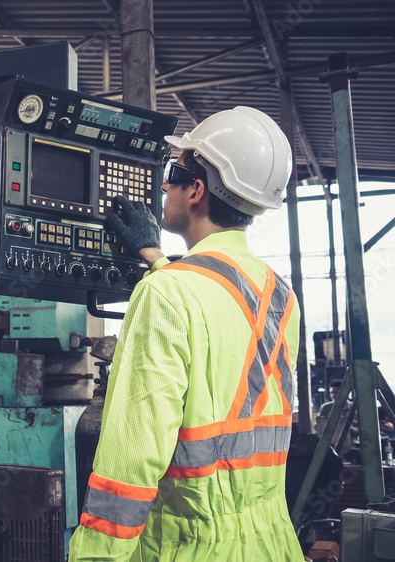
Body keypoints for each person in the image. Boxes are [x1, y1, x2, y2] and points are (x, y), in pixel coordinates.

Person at [68, 106, 303, 560]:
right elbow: (216, 309)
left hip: (191, 547)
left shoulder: (167, 293)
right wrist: (155, 255)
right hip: (271, 541)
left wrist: (94, 555)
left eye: (173, 173)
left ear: (196, 191)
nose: (162, 186)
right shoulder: (278, 292)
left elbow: (132, 457)